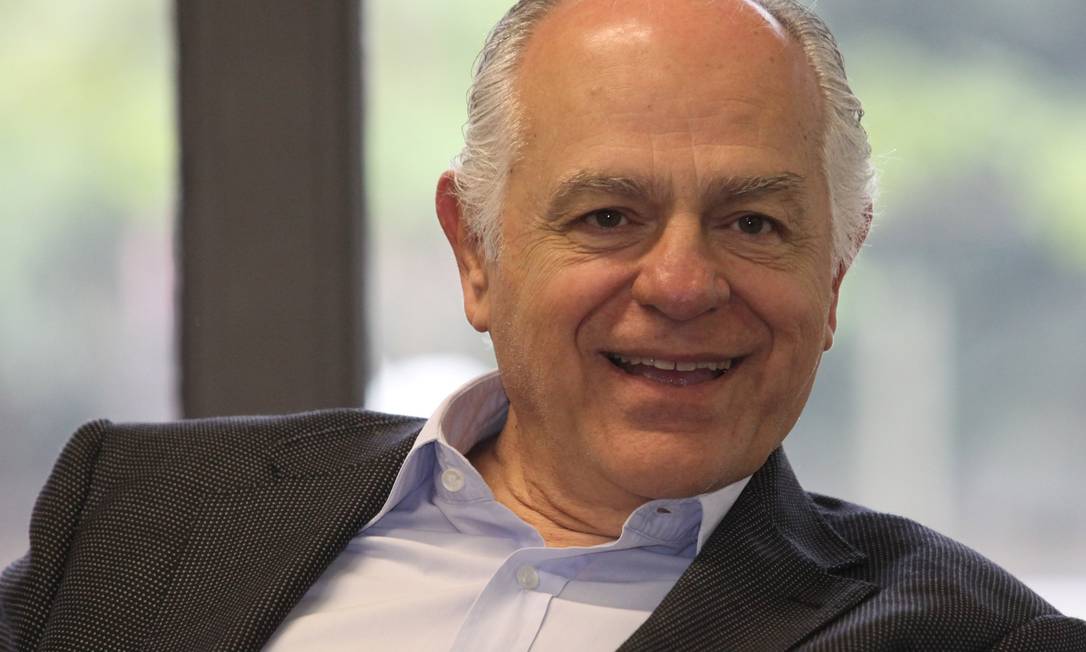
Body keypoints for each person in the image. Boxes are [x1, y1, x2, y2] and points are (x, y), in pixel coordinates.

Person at [2, 0, 1084, 650]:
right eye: (609, 216)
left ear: (835, 274)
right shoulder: (141, 514)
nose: (682, 283)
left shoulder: (970, 636)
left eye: (753, 223)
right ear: (474, 250)